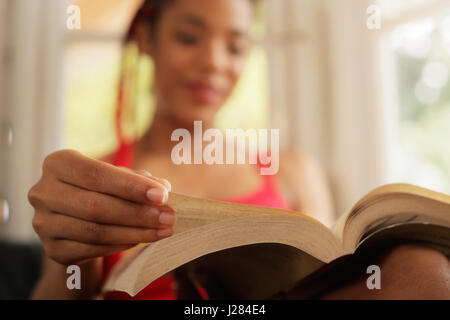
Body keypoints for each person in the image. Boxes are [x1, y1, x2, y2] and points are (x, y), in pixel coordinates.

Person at [28, 0, 449, 300]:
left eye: (235, 46)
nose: (214, 61)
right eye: (189, 37)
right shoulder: (98, 178)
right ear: (146, 39)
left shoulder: (292, 169)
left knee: (423, 269)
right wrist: (74, 260)